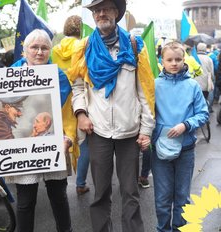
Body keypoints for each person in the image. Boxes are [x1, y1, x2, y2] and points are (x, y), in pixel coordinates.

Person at [67, 0, 155, 231]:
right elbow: (78, 88)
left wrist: (146, 129)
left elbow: (145, 91)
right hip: (98, 131)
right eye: (97, 10)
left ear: (117, 12)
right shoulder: (84, 47)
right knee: (101, 192)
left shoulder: (135, 46)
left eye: (106, 8)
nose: (101, 13)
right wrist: (80, 114)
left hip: (129, 132)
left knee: (130, 193)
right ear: (93, 15)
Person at [6, 29, 73, 232]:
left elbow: (68, 113)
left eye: (44, 48)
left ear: (49, 51)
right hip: (23, 148)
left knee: (59, 197)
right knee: (25, 201)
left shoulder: (59, 77)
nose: (39, 52)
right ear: (24, 50)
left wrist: (68, 137)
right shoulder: (8, 77)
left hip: (55, 144)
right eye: (34, 47)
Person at [151, 41, 209, 231]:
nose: (174, 63)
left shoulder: (192, 85)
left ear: (184, 60)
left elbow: (203, 113)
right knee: (162, 197)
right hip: (160, 150)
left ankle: (179, 228)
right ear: (162, 61)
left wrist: (186, 125)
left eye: (178, 59)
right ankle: (163, 228)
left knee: (182, 196)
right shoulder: (154, 85)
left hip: (185, 149)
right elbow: (147, 113)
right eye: (169, 59)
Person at [52, 15, 90, 195]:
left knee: (63, 139)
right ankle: (80, 183)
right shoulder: (83, 46)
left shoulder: (53, 50)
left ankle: (57, 179)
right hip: (79, 100)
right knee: (83, 143)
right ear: (80, 30)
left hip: (59, 101)